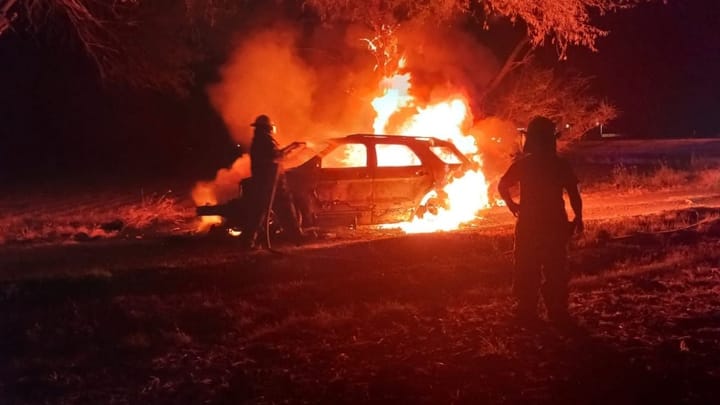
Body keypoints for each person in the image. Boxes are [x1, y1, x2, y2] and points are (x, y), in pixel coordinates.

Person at [497, 116, 583, 324]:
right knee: (555, 268)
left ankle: (527, 310)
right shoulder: (560, 164)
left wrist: (512, 205)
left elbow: (502, 185)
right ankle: (556, 310)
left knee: (527, 267)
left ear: (532, 140)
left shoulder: (524, 165)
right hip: (554, 223)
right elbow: (573, 194)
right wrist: (578, 218)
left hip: (529, 224)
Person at [239, 114, 303, 248]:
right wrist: (292, 147)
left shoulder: (261, 140)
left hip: (271, 183)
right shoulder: (264, 141)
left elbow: (275, 156)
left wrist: (291, 148)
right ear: (268, 128)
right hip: (269, 184)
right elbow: (275, 156)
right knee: (263, 213)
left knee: (277, 212)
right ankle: (249, 242)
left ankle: (297, 238)